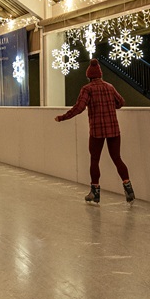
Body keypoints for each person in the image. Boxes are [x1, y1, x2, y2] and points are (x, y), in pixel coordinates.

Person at [54, 58, 135, 205]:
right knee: (117, 158)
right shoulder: (110, 87)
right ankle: (128, 188)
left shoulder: (87, 89)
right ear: (100, 75)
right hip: (114, 130)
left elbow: (79, 108)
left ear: (89, 76)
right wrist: (110, 107)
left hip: (97, 131)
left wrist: (63, 118)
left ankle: (95, 192)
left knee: (94, 160)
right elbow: (121, 102)